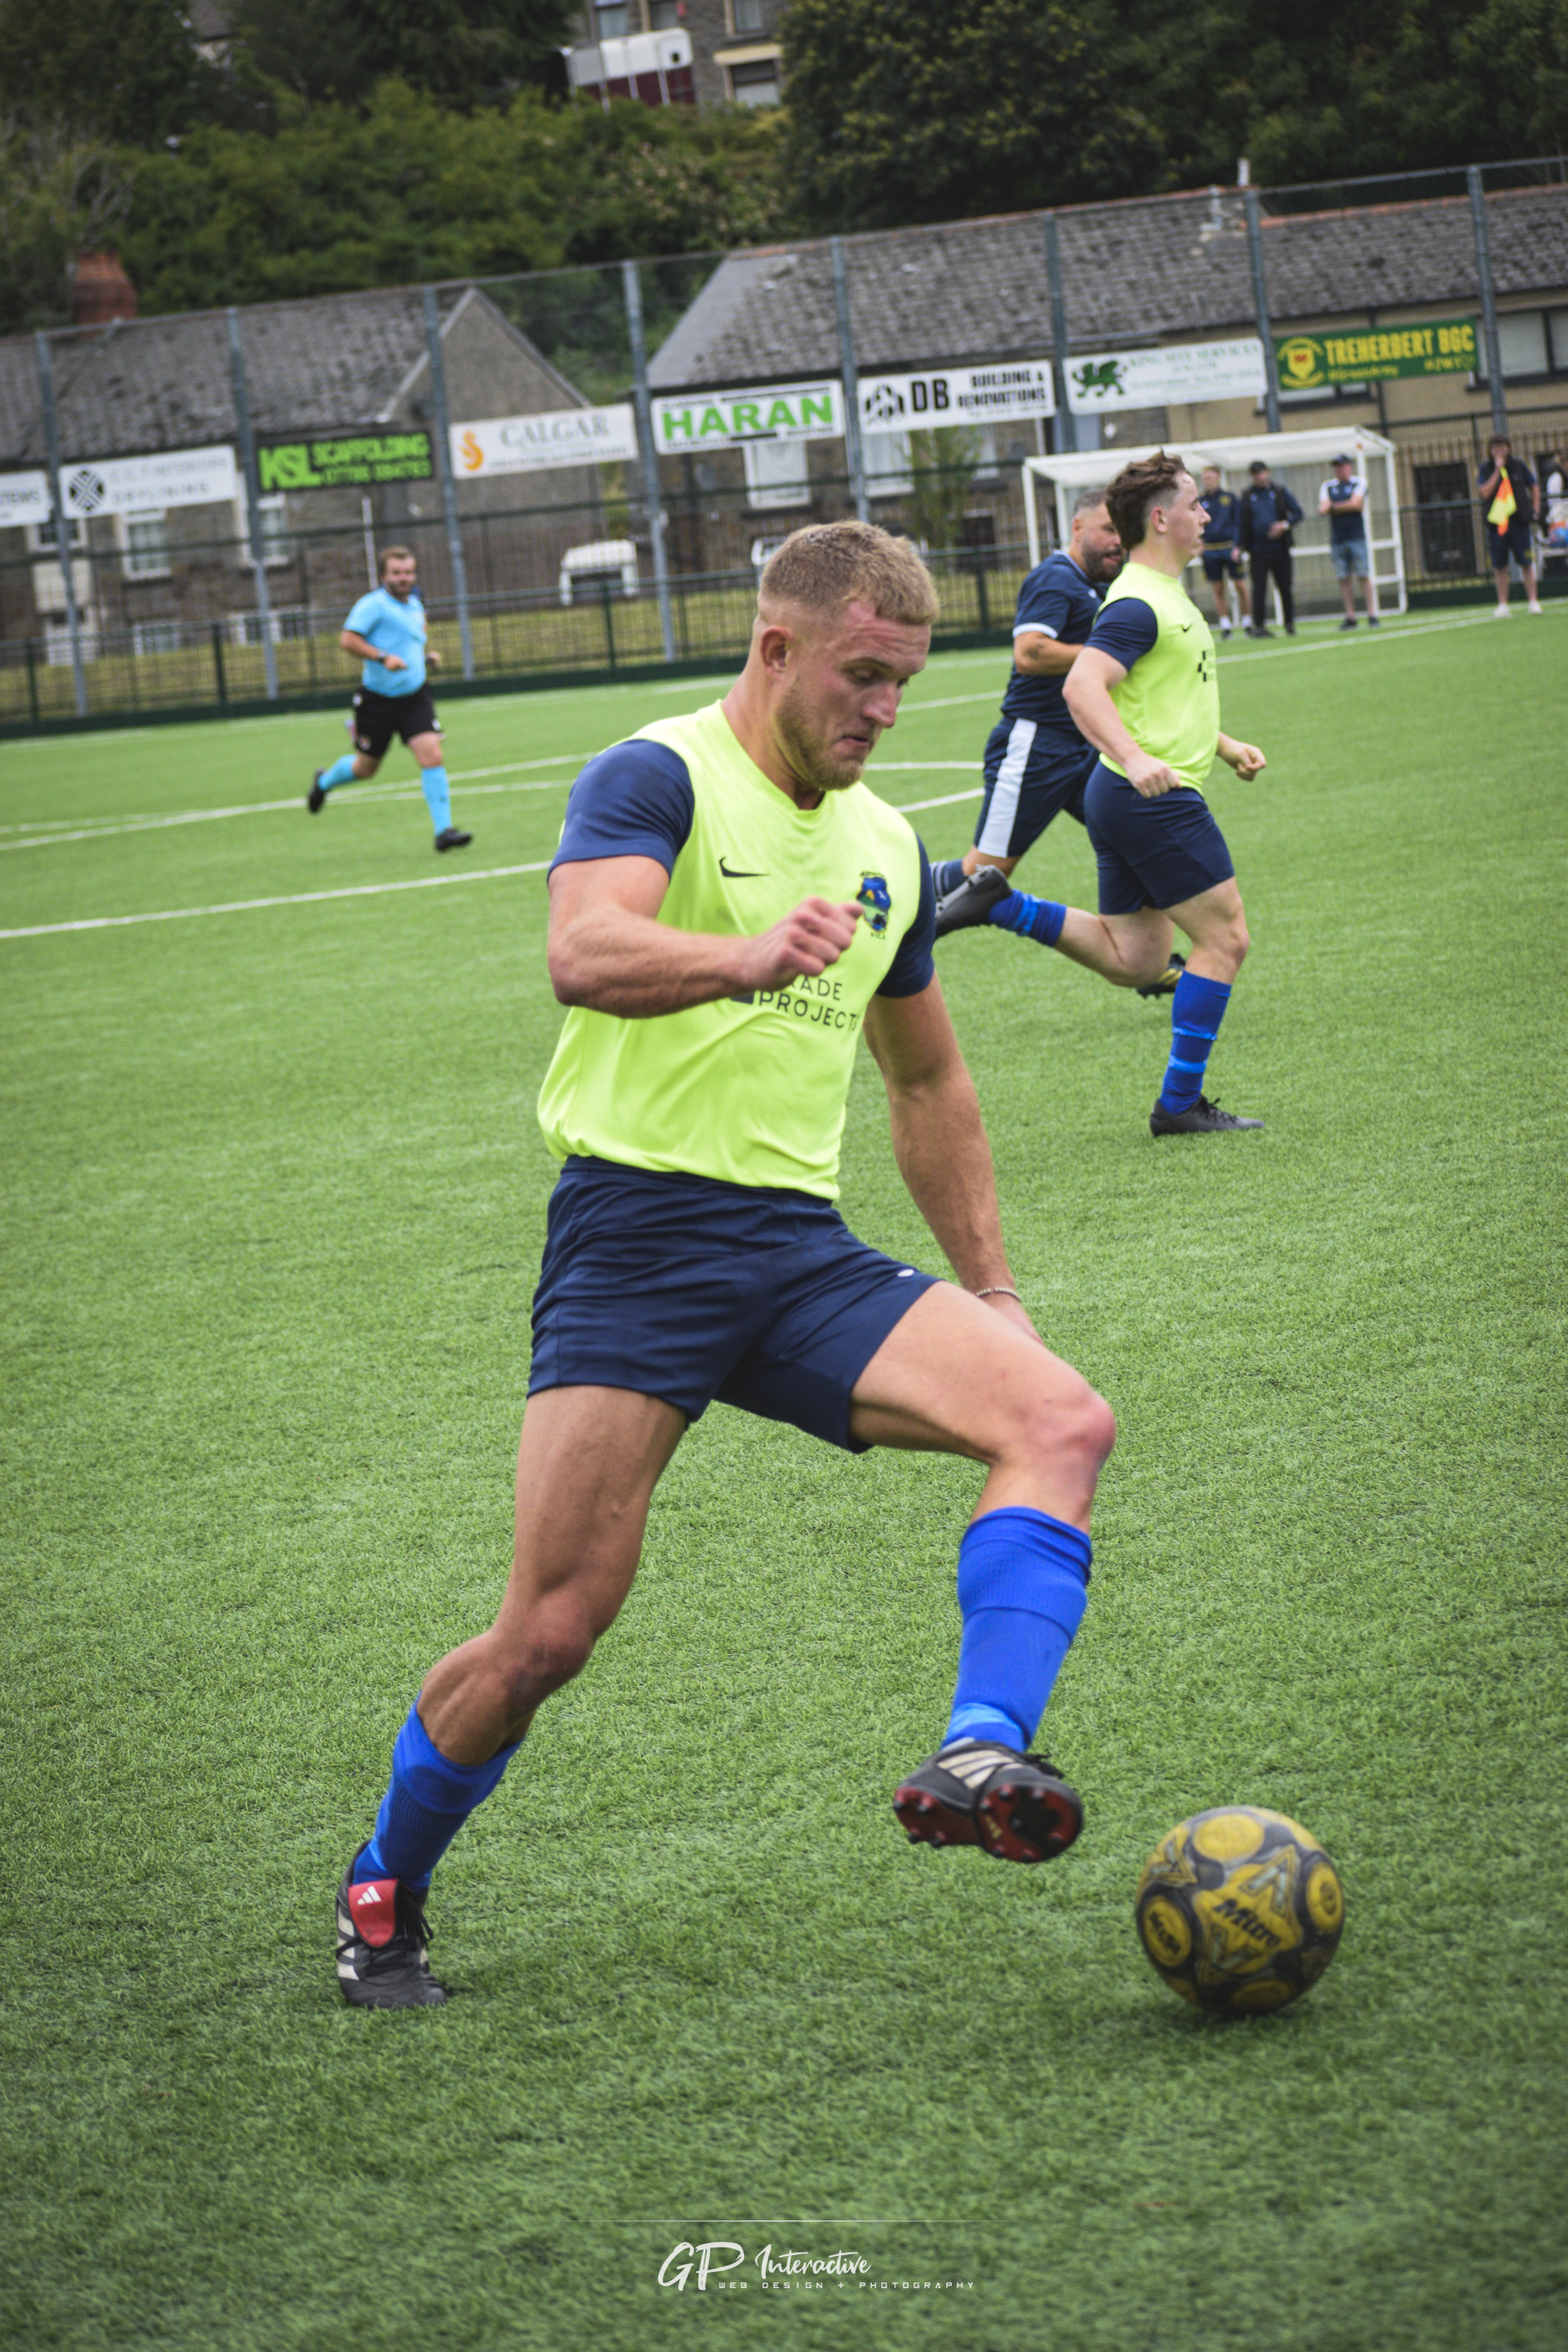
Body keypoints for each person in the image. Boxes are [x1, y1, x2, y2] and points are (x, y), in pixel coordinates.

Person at [334, 521, 1117, 2008]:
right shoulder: (657, 776)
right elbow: (584, 951)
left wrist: (994, 1293)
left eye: (902, 683)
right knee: (549, 1631)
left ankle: (978, 1749)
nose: (883, 709)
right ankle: (385, 1878)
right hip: (634, 1239)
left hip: (797, 1251)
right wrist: (743, 956)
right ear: (774, 648)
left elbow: (926, 1079)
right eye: (860, 676)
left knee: (1059, 1418)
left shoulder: (883, 847)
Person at [956, 452, 1264, 1139]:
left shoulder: (1155, 592)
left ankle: (1000, 903)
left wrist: (1223, 743)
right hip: (1150, 795)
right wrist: (1132, 757)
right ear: (1160, 518)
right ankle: (1179, 1104)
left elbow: (1156, 693)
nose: (1205, 513)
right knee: (1225, 939)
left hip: (1120, 794)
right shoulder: (1137, 602)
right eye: (1193, 503)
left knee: (1138, 960)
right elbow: (1081, 685)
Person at [929, 489, 1181, 996]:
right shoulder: (1055, 577)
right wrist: (1102, 653)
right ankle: (891, 892)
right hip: (1036, 745)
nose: (1117, 542)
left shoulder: (1100, 586)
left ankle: (1143, 957)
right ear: (1077, 527)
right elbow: (1030, 652)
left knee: (1141, 830)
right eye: (1107, 530)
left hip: (1084, 747)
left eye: (1122, 532)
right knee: (983, 875)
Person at [307, 546, 472, 850]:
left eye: (408, 572)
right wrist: (383, 657)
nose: (403, 578)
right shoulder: (373, 605)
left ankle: (444, 832)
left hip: (415, 697)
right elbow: (348, 640)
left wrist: (425, 658)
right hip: (378, 702)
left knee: (432, 755)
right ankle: (324, 782)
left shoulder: (415, 604)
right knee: (365, 768)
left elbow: (409, 642)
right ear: (384, 575)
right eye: (396, 573)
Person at [1477, 437, 1543, 614]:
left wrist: (1535, 509)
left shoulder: (1518, 465)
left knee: (1526, 562)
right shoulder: (1485, 468)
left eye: (1503, 446)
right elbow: (1484, 492)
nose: (1499, 450)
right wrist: (1498, 470)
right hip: (1497, 524)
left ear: (1509, 448)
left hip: (1518, 521)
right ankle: (1503, 604)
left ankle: (1533, 601)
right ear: (1490, 450)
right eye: (1495, 447)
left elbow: (1534, 485)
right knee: (1500, 565)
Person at [1237, 459, 1303, 637]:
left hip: (1280, 549)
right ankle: (1259, 626)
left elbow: (1298, 512)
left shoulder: (1279, 491)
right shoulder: (1248, 495)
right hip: (1257, 551)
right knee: (1259, 589)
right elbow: (1242, 522)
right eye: (1255, 474)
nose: (1259, 477)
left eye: (1261, 472)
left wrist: (1285, 525)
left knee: (1285, 587)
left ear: (1267, 472)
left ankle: (1289, 624)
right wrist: (1240, 545)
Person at [1318, 453, 1379, 629]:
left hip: (1356, 537)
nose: (1340, 469)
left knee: (1363, 575)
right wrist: (1346, 506)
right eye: (1337, 466)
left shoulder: (1359, 482)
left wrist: (1334, 507)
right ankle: (1350, 616)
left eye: (1342, 466)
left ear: (1349, 466)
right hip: (1337, 539)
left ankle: (1372, 614)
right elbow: (1322, 509)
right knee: (1343, 578)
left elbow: (1356, 504)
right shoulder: (1328, 486)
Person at [1196, 463, 1251, 637]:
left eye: (1210, 477)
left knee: (1240, 585)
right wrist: (1199, 543)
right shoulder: (1200, 500)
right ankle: (1225, 624)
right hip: (1210, 550)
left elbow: (1238, 522)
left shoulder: (1230, 497)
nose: (1207, 481)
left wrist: (1238, 545)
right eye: (1204, 478)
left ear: (1218, 478)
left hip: (1229, 547)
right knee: (1218, 587)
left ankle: (1247, 621)